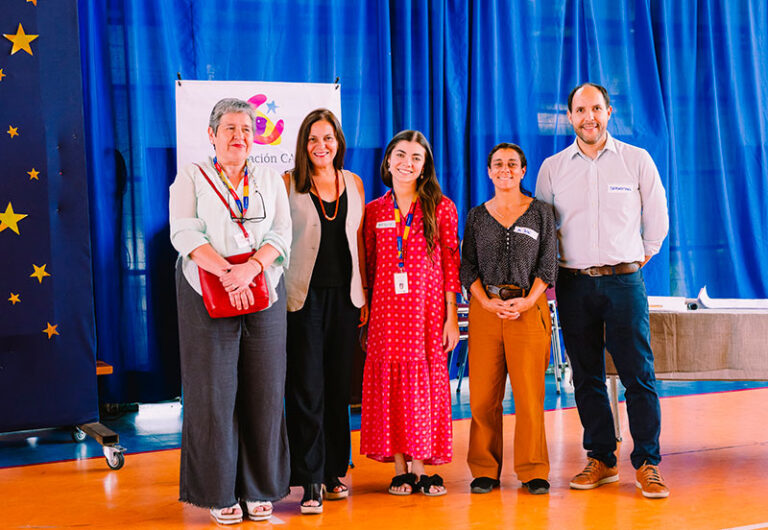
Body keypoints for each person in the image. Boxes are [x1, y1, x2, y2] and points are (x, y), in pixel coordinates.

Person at [535, 82, 670, 498]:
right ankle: (602, 458)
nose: (588, 117)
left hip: (625, 282)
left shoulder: (636, 160)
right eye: (580, 110)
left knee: (638, 375)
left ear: (608, 112)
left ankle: (648, 462)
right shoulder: (553, 168)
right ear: (570, 116)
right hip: (573, 285)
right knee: (586, 376)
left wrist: (632, 260)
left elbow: (658, 220)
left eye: (596, 108)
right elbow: (542, 231)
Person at [169, 98, 292, 524]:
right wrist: (226, 274)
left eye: (246, 129)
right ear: (212, 134)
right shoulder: (191, 176)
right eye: (230, 129)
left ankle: (259, 489)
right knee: (213, 394)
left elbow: (281, 232)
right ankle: (220, 493)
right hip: (206, 289)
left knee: (264, 390)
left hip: (262, 288)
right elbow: (183, 231)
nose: (239, 137)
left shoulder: (270, 178)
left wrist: (251, 270)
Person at [361, 130, 461, 497]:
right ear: (388, 160)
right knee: (391, 387)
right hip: (387, 315)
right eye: (400, 155)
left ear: (424, 166)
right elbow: (368, 267)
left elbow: (452, 263)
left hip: (427, 313)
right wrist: (367, 312)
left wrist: (452, 316)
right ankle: (401, 468)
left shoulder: (442, 207)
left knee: (426, 387)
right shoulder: (374, 211)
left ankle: (424, 466)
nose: (407, 163)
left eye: (416, 158)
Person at [282, 109, 367, 514]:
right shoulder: (289, 184)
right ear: (304, 144)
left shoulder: (354, 182)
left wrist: (363, 295)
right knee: (306, 387)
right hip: (303, 299)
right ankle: (310, 479)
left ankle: (334, 471)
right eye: (313, 139)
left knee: (337, 387)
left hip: (346, 299)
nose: (321, 146)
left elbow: (360, 243)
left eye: (328, 138)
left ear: (338, 142)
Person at [460, 143, 557, 495]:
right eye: (498, 164)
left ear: (523, 170)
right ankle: (485, 468)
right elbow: (467, 265)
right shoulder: (476, 216)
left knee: (529, 396)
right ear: (489, 171)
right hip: (486, 312)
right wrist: (485, 302)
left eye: (512, 164)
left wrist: (528, 301)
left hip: (529, 311)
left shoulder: (540, 213)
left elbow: (548, 264)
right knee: (484, 397)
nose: (505, 169)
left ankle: (534, 470)